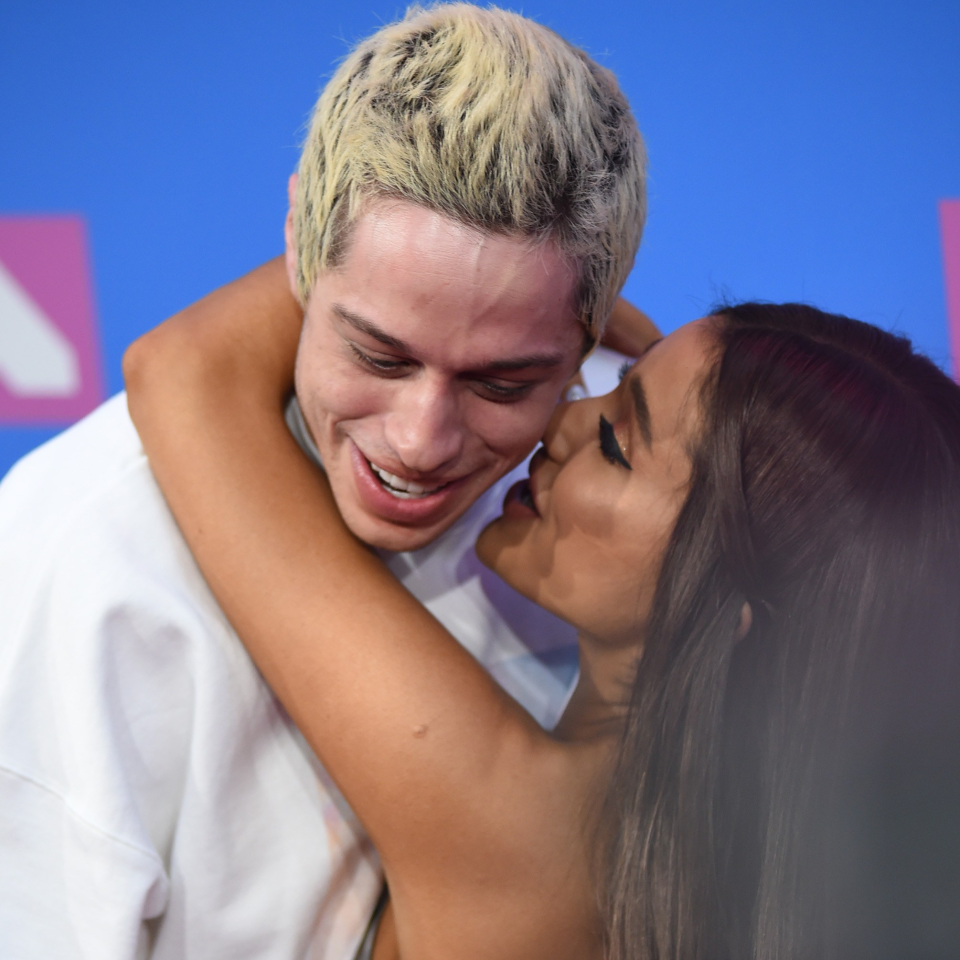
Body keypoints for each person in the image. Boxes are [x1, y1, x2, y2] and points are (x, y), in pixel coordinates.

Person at [0, 6, 653, 958]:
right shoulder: (78, 568)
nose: (422, 440)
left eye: (501, 382)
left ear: (588, 347)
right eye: (377, 353)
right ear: (300, 241)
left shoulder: (611, 515)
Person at [125, 293, 960, 960]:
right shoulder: (774, 878)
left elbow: (186, 372)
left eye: (614, 441)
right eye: (605, 387)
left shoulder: (532, 830)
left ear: (730, 612)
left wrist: (493, 274)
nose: (557, 423)